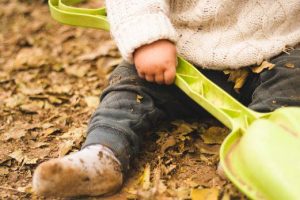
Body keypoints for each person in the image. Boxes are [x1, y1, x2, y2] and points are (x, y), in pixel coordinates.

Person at [32, 0, 300, 197]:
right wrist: (149, 38)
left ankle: (261, 150)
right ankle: (103, 153)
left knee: (293, 78)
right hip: (182, 59)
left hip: (276, 51)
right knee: (129, 86)